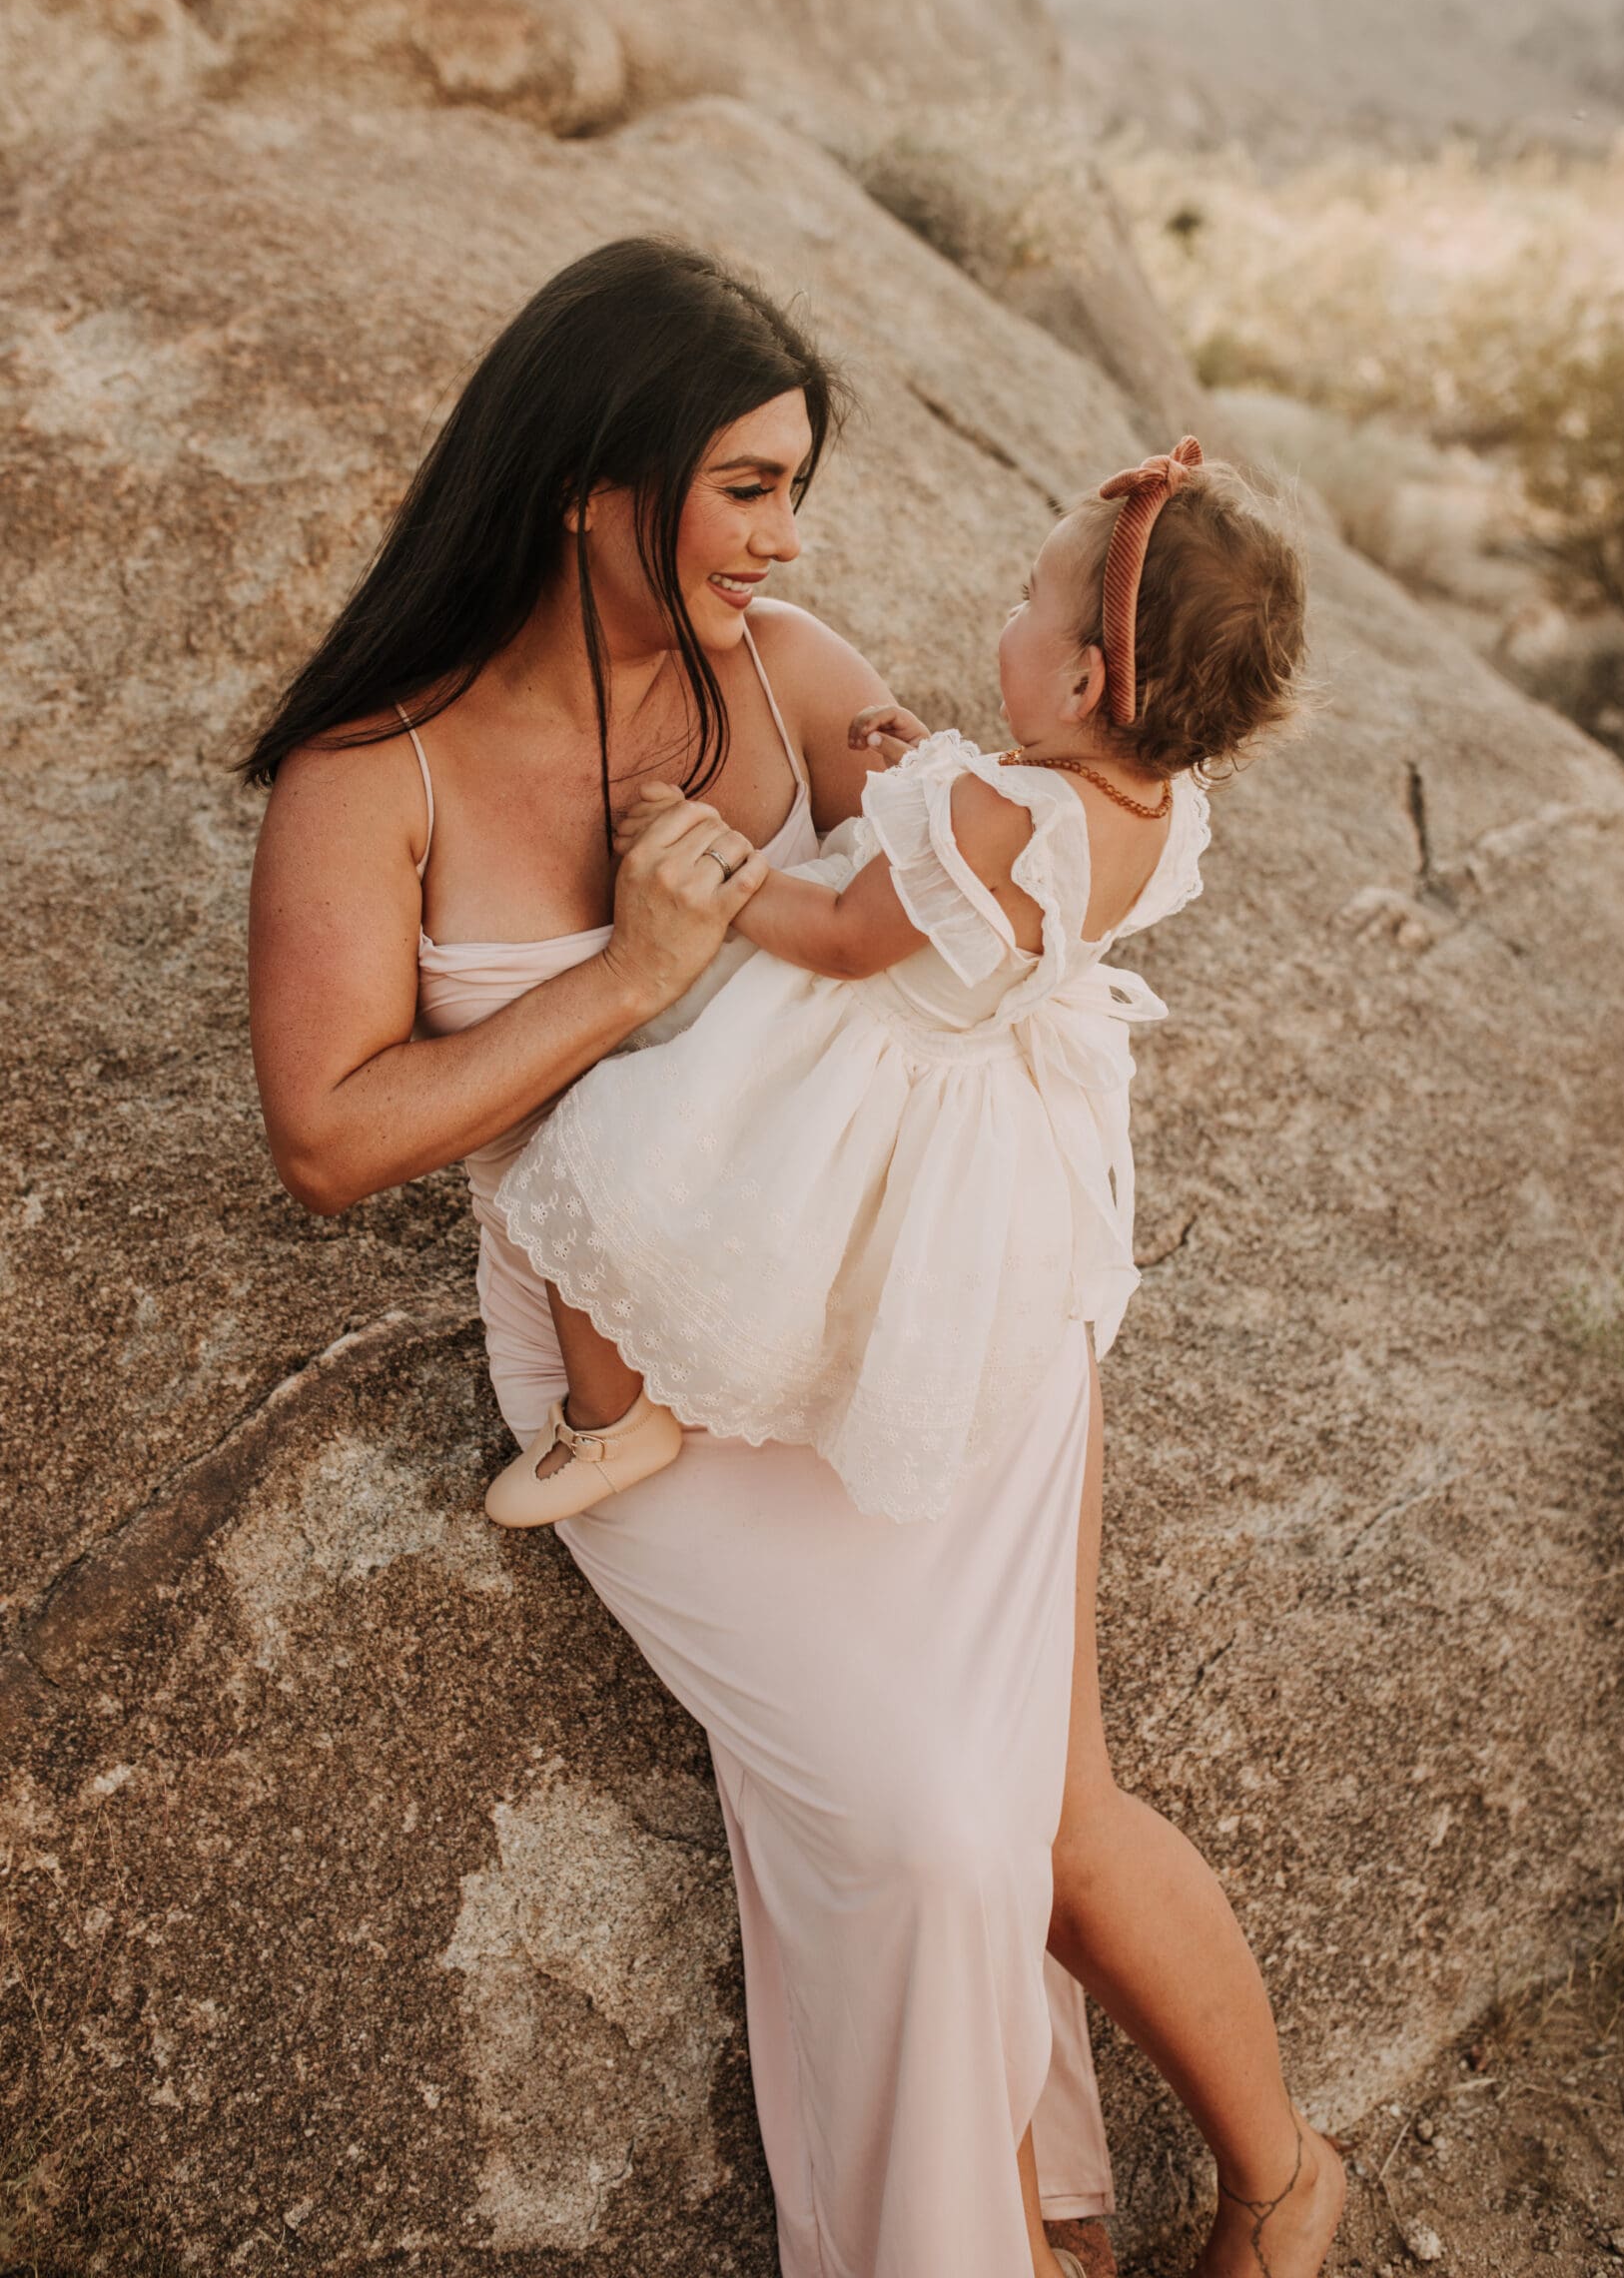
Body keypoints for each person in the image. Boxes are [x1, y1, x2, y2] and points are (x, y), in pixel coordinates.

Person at [247, 237, 1345, 2278]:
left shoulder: (778, 664)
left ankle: (1157, 2197)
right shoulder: (368, 772)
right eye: (746, 485)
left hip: (907, 1301)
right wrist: (626, 981)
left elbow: (962, 871)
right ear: (595, 479)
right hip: (644, 1347)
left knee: (1027, 1814)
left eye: (790, 482)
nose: (788, 532)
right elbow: (327, 1136)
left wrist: (932, 834)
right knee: (932, 1831)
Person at [486, 442, 1234, 1537]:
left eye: (1028, 601)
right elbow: (1030, 860)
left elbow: (843, 938)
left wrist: (719, 865)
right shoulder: (1156, 806)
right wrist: (939, 767)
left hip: (858, 1046)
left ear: (1082, 680)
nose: (1010, 614)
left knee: (608, 1149)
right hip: (968, 1078)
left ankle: (610, 1420)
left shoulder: (993, 812)